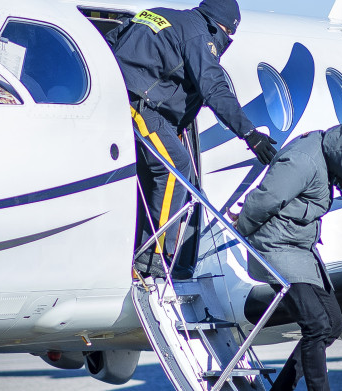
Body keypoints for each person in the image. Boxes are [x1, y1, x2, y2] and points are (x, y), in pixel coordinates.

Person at [107, 0, 277, 279]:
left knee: (157, 174)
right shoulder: (201, 36)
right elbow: (215, 89)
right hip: (139, 103)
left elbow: (112, 39)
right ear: (219, 26)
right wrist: (249, 134)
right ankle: (153, 259)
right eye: (227, 34)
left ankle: (143, 249)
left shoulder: (160, 14)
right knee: (177, 168)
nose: (225, 41)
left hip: (121, 93)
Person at [234, 122, 342, 391]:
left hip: (299, 248)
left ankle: (281, 388)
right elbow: (264, 199)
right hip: (276, 247)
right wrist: (241, 230)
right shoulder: (302, 161)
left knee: (333, 324)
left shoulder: (330, 156)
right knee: (316, 325)